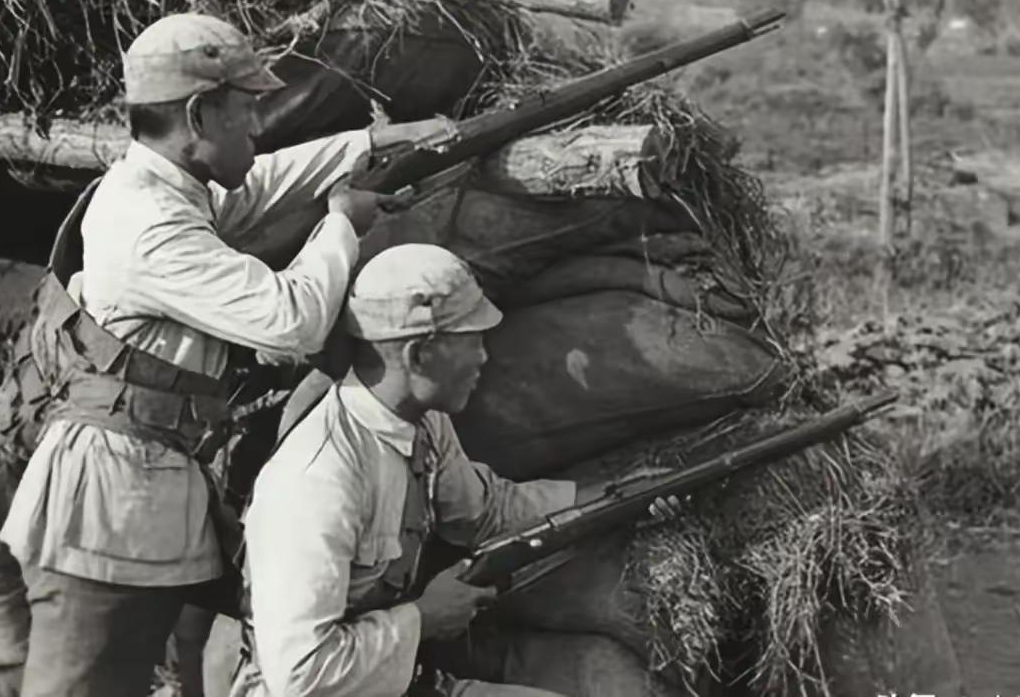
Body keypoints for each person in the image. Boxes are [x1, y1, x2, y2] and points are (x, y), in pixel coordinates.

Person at [0, 11, 449, 697]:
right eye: (246, 108)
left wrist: (370, 142)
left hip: (137, 495)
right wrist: (341, 225)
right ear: (199, 114)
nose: (257, 126)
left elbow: (257, 185)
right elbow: (291, 323)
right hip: (108, 508)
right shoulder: (148, 223)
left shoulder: (165, 190)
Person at [230, 243, 682, 697]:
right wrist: (424, 619)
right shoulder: (318, 480)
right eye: (472, 341)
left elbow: (487, 512)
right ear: (419, 355)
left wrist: (620, 496)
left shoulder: (423, 422)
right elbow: (300, 675)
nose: (484, 357)